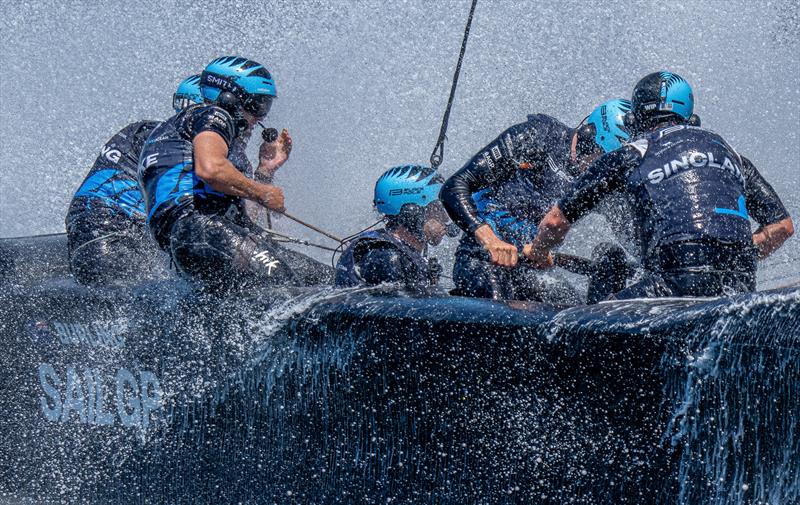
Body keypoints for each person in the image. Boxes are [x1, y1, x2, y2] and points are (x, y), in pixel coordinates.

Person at [526, 71, 794, 299]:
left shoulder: (630, 153)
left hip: (671, 285)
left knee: (590, 325)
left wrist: (538, 252)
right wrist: (728, 257)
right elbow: (782, 227)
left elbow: (554, 223)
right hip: (738, 284)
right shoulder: (729, 151)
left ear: (636, 118)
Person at [138, 55, 331, 291]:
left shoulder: (188, 133)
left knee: (326, 278)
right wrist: (262, 192)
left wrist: (264, 172)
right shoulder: (213, 115)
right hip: (200, 230)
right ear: (229, 98)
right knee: (283, 284)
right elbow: (211, 169)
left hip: (210, 237)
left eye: (266, 106)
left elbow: (243, 216)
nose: (261, 117)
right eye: (258, 105)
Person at [439, 99, 633, 303]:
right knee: (503, 309)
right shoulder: (538, 136)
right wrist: (491, 241)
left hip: (529, 267)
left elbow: (631, 233)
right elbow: (454, 187)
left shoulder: (602, 179)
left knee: (570, 311)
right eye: (601, 158)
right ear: (588, 137)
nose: (606, 171)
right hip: (481, 258)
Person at [64, 74, 204, 287]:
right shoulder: (176, 144)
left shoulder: (145, 130)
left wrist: (264, 170)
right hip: (113, 232)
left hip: (91, 227)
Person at [335, 165, 452, 290]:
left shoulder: (401, 252)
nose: (445, 218)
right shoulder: (385, 258)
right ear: (411, 213)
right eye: (438, 209)